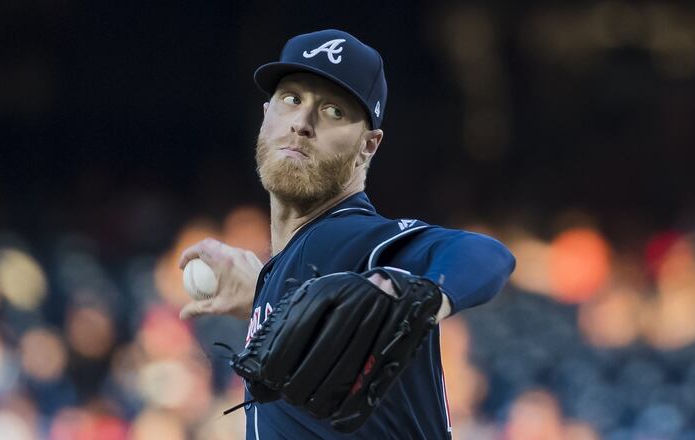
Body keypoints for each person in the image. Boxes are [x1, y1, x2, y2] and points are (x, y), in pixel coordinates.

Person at [178, 29, 515, 439]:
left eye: (333, 111)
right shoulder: (291, 267)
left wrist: (423, 297)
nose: (302, 123)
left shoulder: (352, 236)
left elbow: (483, 253)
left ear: (368, 146)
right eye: (291, 99)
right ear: (266, 114)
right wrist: (262, 294)